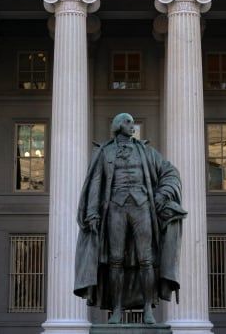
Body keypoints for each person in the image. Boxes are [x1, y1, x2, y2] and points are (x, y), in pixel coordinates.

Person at [73, 113, 186, 325]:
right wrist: (92, 212)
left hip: (142, 206)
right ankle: (116, 309)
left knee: (146, 259)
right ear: (117, 125)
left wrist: (163, 194)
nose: (131, 125)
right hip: (115, 207)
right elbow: (96, 183)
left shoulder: (146, 151)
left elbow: (170, 172)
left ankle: (147, 309)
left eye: (133, 122)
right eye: (127, 122)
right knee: (115, 260)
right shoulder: (104, 152)